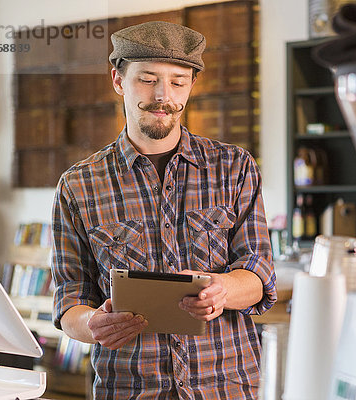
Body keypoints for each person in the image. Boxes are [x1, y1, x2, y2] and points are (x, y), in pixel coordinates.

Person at [51, 21, 277, 399]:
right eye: (148, 79)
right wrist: (93, 324)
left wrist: (220, 290)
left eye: (177, 81)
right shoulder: (78, 185)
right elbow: (69, 301)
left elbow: (259, 273)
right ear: (118, 80)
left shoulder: (235, 167)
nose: (163, 95)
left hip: (230, 387)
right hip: (129, 389)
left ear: (190, 85)